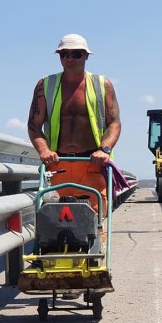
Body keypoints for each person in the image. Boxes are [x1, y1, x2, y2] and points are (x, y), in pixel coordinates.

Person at [27, 33, 121, 214]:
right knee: (55, 219)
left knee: (94, 219)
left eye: (76, 54)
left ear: (86, 56)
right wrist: (44, 151)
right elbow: (34, 125)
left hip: (91, 163)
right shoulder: (45, 85)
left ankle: (94, 241)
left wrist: (104, 149)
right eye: (64, 54)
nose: (69, 58)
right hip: (58, 163)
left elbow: (114, 123)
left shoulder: (103, 85)